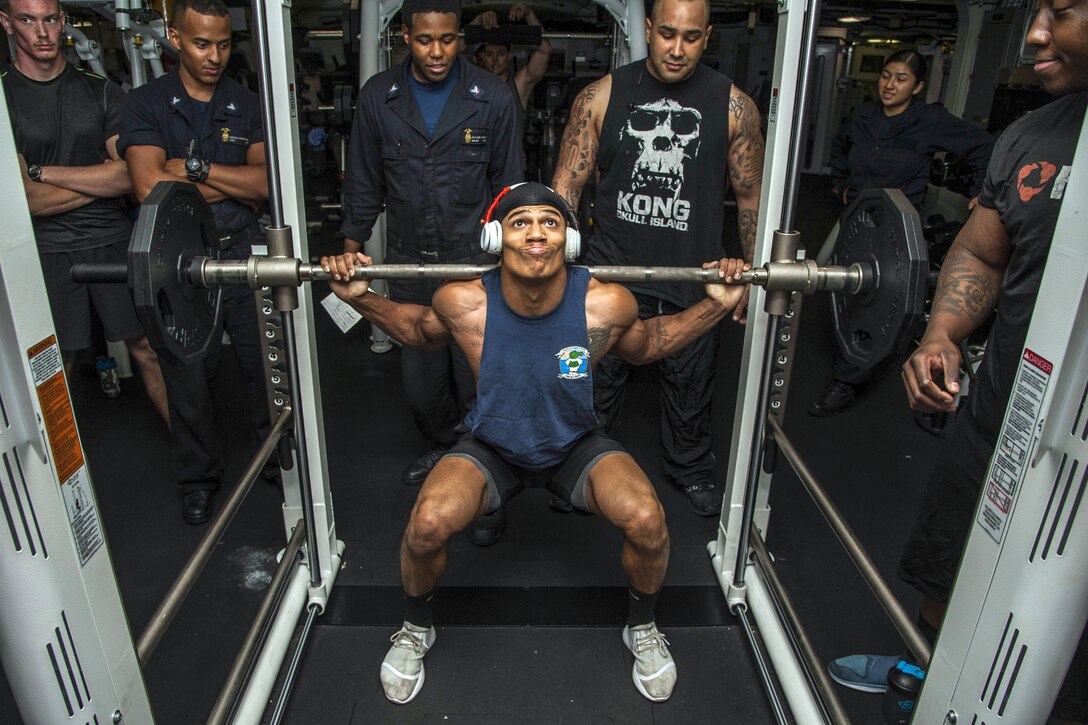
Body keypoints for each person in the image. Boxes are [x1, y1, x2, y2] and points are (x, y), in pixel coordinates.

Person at [320, 182, 750, 705]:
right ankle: (415, 627)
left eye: (550, 221)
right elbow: (416, 330)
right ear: (496, 236)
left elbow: (651, 343)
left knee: (647, 519)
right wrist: (360, 297)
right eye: (521, 222)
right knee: (427, 524)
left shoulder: (605, 303)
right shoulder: (463, 300)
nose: (537, 233)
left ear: (568, 239)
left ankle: (641, 626)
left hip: (574, 445)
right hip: (492, 446)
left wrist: (715, 306)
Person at [828, 0, 1087, 698]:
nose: (1034, 31)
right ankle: (925, 672)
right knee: (953, 553)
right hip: (1003, 402)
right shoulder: (1031, 136)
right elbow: (980, 250)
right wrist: (941, 333)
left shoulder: (944, 126)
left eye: (1060, 10)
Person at [551, 0, 764, 517]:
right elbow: (565, 190)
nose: (676, 48)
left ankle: (689, 468)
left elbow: (751, 198)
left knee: (690, 386)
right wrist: (562, 277)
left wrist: (756, 274)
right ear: (647, 29)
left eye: (691, 37)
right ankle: (581, 465)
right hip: (611, 270)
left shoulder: (734, 107)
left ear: (707, 36)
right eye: (666, 33)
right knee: (592, 382)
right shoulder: (600, 98)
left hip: (692, 274)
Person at [340, 0, 523, 501]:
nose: (437, 51)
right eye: (425, 40)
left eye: (447, 39)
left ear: (459, 36)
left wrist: (519, 265)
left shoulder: (492, 96)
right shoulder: (379, 97)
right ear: (405, 36)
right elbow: (363, 181)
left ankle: (485, 475)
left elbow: (510, 189)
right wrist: (347, 253)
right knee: (422, 381)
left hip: (474, 263)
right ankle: (445, 449)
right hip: (410, 261)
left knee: (477, 375)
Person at [118, 0, 271, 525]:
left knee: (264, 364)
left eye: (224, 44)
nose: (214, 55)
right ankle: (199, 478)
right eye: (202, 43)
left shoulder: (247, 103)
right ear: (175, 38)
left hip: (240, 249)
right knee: (187, 374)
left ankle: (278, 456)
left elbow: (264, 185)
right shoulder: (145, 104)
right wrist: (228, 184)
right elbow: (146, 187)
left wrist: (196, 171)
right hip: (178, 260)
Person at [0, 0, 169, 424]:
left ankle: (198, 467)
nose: (41, 33)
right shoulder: (2, 98)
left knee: (148, 349)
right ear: (6, 23)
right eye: (27, 20)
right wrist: (100, 182)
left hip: (111, 240)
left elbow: (131, 177)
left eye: (50, 20)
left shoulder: (101, 90)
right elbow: (25, 200)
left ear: (63, 22)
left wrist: (42, 174)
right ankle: (63, 487)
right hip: (45, 249)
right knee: (56, 367)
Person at [808, 49, 995, 417]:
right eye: (886, 76)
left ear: (919, 86)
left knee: (877, 303)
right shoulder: (863, 115)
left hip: (896, 231)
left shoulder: (930, 120)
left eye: (901, 79)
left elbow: (983, 147)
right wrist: (842, 180)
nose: (890, 85)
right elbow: (841, 146)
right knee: (832, 284)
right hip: (858, 219)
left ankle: (846, 380)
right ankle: (856, 348)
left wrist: (981, 194)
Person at [469, 3, 551, 144]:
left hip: (509, 164)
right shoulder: (471, 82)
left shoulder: (519, 84)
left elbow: (545, 51)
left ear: (509, 55)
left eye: (500, 54)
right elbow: (450, 54)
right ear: (481, 56)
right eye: (489, 54)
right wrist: (478, 20)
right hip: (478, 163)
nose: (495, 60)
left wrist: (528, 14)